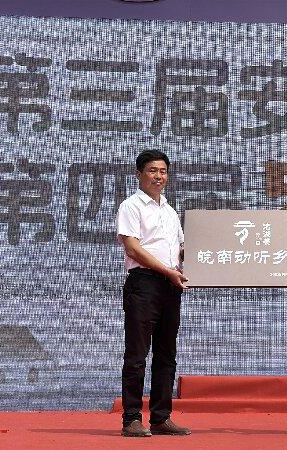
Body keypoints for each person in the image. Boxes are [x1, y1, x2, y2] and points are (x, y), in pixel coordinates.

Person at [116, 149, 191, 437]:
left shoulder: (170, 211)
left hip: (171, 285)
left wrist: (204, 252)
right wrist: (167, 270)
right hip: (144, 283)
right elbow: (133, 248)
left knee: (166, 354)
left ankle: (161, 417)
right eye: (152, 171)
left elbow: (180, 250)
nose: (158, 176)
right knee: (137, 354)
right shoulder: (131, 206)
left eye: (163, 171)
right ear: (139, 174)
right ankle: (132, 419)